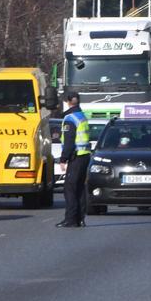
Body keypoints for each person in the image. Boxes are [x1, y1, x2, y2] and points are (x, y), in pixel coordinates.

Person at [57, 91, 90, 228]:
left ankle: (70, 219)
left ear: (67, 102)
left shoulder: (70, 118)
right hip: (85, 155)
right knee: (79, 188)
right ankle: (80, 219)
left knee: (69, 188)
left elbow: (69, 141)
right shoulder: (81, 116)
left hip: (76, 156)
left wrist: (63, 159)